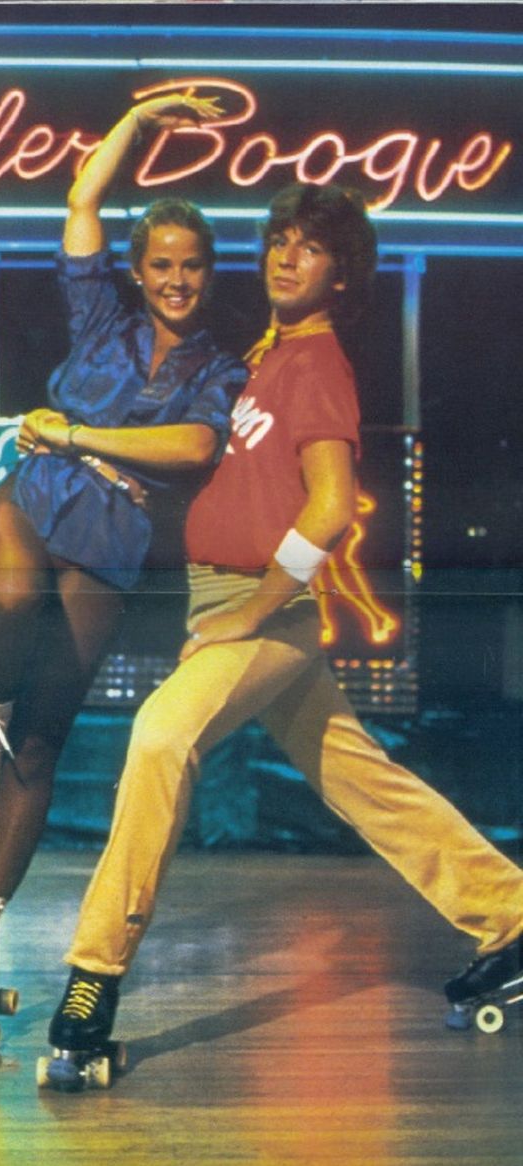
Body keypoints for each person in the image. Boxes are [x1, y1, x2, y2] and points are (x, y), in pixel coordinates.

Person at [46, 182, 523, 1062]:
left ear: (343, 274)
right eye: (276, 241)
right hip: (225, 600)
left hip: (261, 609)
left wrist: (256, 610)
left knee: (159, 736)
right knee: (360, 780)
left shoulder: (319, 363)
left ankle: (94, 973)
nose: (283, 257)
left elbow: (333, 509)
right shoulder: (272, 355)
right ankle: (511, 914)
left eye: (307, 247)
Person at [0, 94, 247, 1044]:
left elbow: (195, 448)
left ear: (207, 274)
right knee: (7, 596)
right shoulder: (100, 317)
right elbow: (83, 198)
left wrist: (77, 429)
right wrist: (142, 118)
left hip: (111, 544)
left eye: (192, 265)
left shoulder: (220, 366)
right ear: (139, 270)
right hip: (36, 498)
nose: (177, 280)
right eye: (161, 264)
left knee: (42, 749)